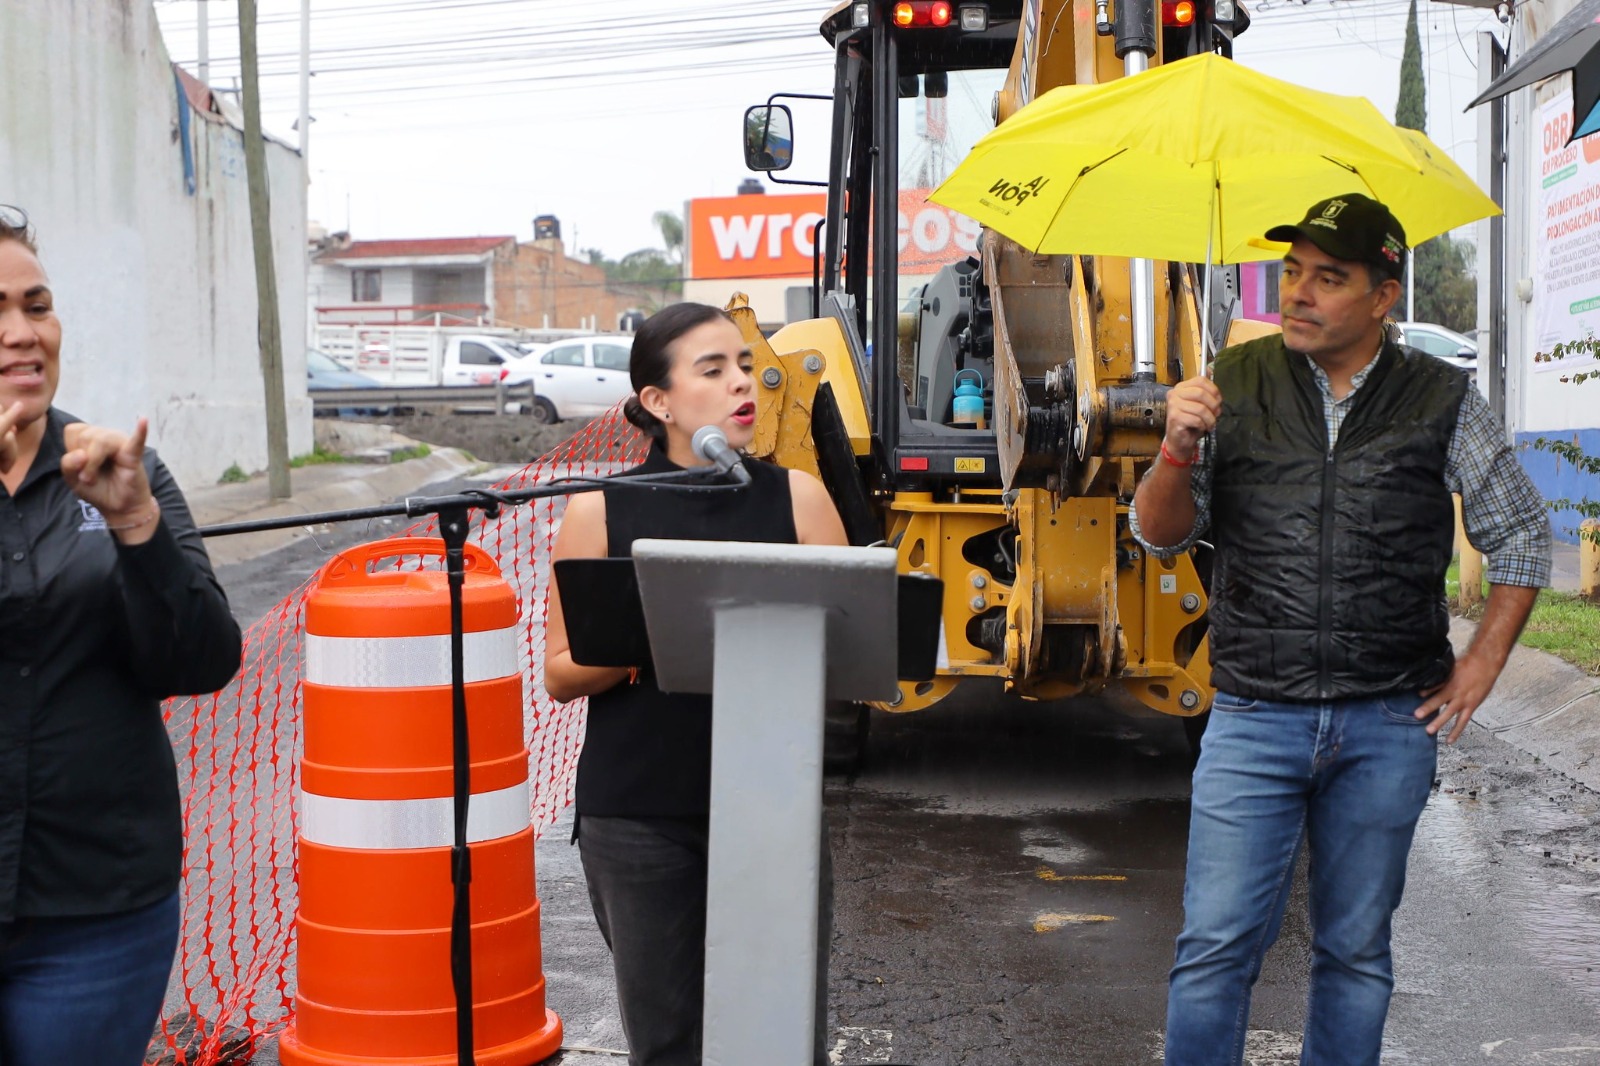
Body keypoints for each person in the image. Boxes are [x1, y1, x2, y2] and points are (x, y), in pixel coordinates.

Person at [1132, 194, 1551, 1066]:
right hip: (1252, 716)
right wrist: (1175, 448)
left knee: (1354, 957)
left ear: (1382, 296)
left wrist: (1477, 669)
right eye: (1292, 274)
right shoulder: (1231, 387)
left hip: (1386, 724)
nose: (1299, 294)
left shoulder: (1441, 399)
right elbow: (1159, 531)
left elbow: (1520, 534)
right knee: (1214, 953)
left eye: (1329, 278)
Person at [543, 302, 849, 1066]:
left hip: (773, 805)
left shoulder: (798, 499)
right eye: (712, 371)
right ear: (659, 401)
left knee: (782, 1043)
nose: (741, 383)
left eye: (743, 366)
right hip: (638, 814)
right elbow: (559, 672)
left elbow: (851, 651)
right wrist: (662, 631)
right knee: (669, 1044)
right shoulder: (599, 509)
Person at [0, 206, 243, 1064]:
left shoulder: (112, 468)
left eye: (37, 303)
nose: (23, 333)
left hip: (96, 908)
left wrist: (137, 523)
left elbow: (204, 661)